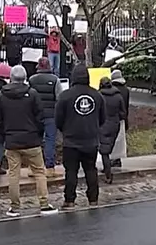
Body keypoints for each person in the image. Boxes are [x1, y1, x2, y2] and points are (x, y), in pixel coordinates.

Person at [0, 65, 57, 216]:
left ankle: (14, 207)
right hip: (31, 140)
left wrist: (5, 136)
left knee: (14, 174)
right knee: (39, 172)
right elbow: (40, 117)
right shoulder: (32, 94)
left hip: (12, 141)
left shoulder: (1, 95)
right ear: (25, 78)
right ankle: (44, 203)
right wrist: (38, 134)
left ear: (11, 77)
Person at [56, 65, 106, 209]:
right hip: (90, 139)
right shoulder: (97, 95)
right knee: (91, 170)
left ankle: (69, 200)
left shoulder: (65, 96)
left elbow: (58, 119)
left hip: (71, 141)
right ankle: (93, 199)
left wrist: (65, 130)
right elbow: (102, 118)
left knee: (71, 171)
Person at [29, 58, 63, 175]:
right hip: (50, 115)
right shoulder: (55, 80)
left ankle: (34, 168)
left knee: (35, 142)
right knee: (50, 141)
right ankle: (49, 167)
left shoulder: (32, 80)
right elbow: (59, 98)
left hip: (35, 116)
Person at [97, 77, 126, 183]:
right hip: (115, 125)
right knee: (108, 148)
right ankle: (107, 167)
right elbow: (123, 113)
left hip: (102, 124)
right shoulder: (118, 96)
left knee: (104, 151)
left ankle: (108, 175)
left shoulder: (99, 96)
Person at [110, 70, 130, 167]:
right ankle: (118, 159)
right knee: (121, 141)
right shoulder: (126, 90)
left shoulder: (112, 90)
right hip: (122, 118)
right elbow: (126, 107)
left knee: (112, 140)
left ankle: (112, 159)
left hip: (112, 118)